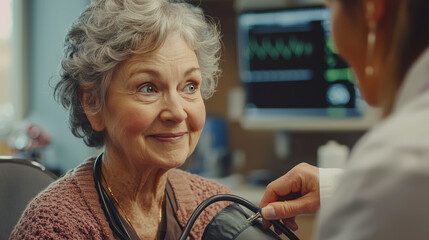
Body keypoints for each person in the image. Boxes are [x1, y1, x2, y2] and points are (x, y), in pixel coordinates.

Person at [10, 0, 231, 239]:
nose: (177, 112)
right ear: (93, 102)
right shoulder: (54, 227)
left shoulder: (215, 209)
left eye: (190, 86)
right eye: (148, 88)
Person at [260, 0, 429, 239]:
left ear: (371, 9)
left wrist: (362, 186)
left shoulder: (394, 165)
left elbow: (395, 183)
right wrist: (338, 186)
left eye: (330, 7)